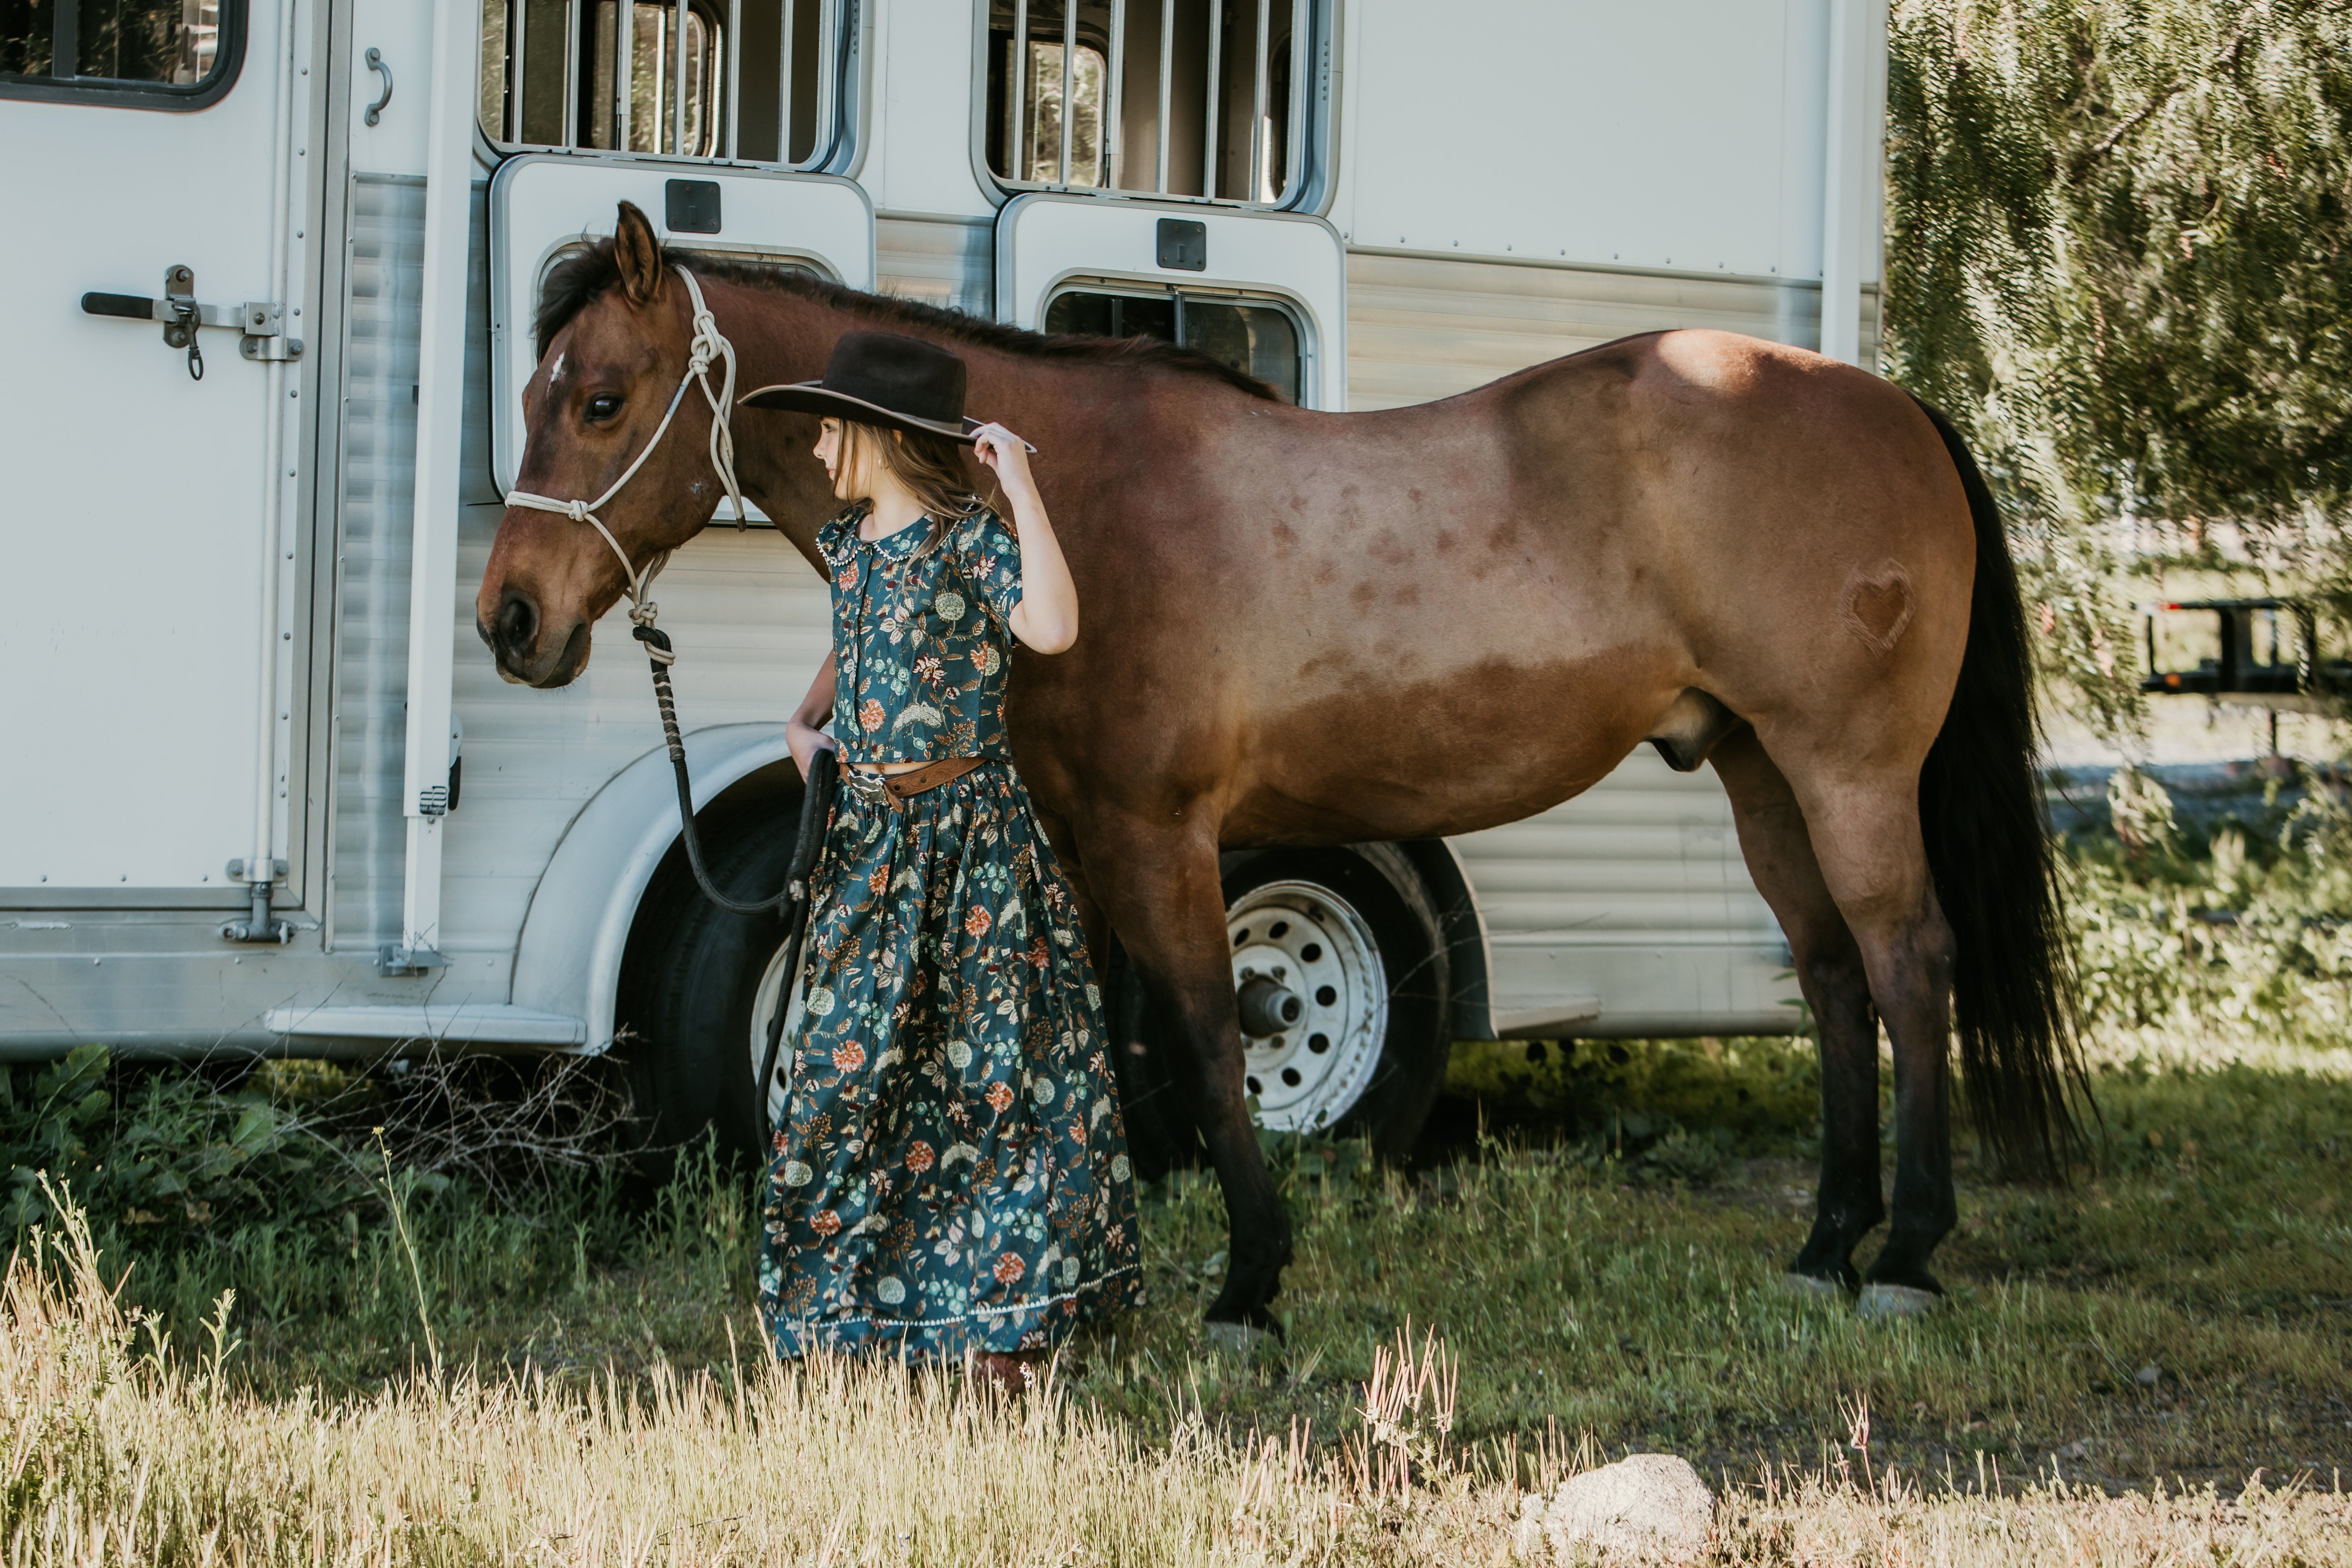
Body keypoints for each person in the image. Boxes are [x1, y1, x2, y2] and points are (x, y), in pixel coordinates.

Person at [740, 332, 1142, 1389]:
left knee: (989, 1085)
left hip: (971, 851)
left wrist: (1019, 487)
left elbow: (1051, 627)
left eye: (832, 429)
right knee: (842, 1078)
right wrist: (805, 718)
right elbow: (856, 629)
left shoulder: (970, 541)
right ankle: (841, 1318)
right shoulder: (850, 545)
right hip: (869, 855)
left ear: (877, 433)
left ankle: (997, 1324)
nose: (820, 449)